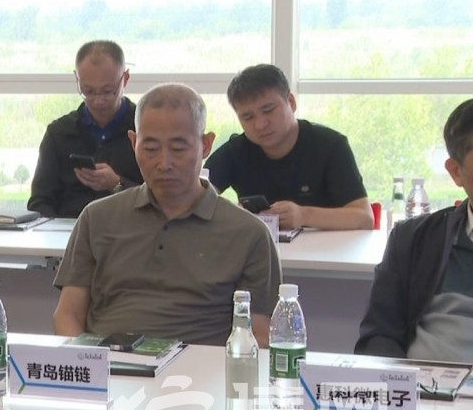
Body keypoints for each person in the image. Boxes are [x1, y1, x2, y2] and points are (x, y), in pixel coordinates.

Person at [52, 83, 281, 346]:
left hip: (202, 366)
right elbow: (67, 314)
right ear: (134, 143)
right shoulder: (97, 218)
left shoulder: (249, 233)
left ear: (206, 145)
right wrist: (86, 361)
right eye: (150, 149)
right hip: (110, 361)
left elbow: (258, 334)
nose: (164, 163)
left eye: (179, 148)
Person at [356, 99, 473, 360]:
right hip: (425, 381)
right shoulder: (413, 239)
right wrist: (398, 380)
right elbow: (379, 336)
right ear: (456, 171)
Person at [205, 63, 374, 230]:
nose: (260, 124)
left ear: (291, 103)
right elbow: (196, 202)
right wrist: (234, 215)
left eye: (268, 110)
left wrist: (304, 215)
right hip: (259, 247)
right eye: (248, 117)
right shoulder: (235, 152)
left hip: (328, 247)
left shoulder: (330, 145)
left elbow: (364, 218)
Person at [29, 40, 144, 218]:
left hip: (129, 229)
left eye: (107, 91)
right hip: (69, 229)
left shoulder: (145, 130)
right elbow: (39, 202)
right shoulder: (59, 134)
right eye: (88, 91)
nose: (98, 101)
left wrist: (118, 184)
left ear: (125, 79)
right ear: (77, 80)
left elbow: (162, 199)